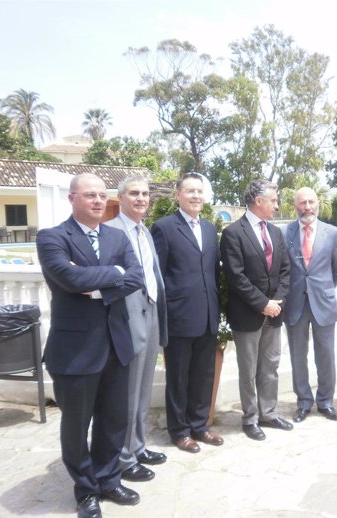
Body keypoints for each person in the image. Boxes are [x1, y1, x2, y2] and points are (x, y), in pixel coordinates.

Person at [36, 173, 144, 518]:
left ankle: (109, 479)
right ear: (72, 199)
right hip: (75, 352)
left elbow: (137, 276)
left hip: (117, 345)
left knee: (113, 421)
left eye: (101, 195)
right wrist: (114, 273)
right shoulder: (52, 238)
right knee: (76, 425)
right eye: (89, 195)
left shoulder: (117, 236)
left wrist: (97, 286)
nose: (97, 201)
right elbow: (67, 278)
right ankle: (85, 490)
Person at [151, 173, 222, 453]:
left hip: (207, 315)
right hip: (180, 316)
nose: (195, 196)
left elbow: (214, 273)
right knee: (178, 378)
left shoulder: (208, 229)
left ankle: (200, 426)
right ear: (178, 195)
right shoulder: (164, 228)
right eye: (189, 191)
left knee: (204, 376)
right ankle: (179, 431)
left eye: (199, 191)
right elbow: (158, 277)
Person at [105, 175, 168, 481]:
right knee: (128, 393)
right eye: (134, 193)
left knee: (143, 389)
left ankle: (139, 447)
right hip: (128, 319)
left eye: (144, 193)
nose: (141, 198)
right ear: (121, 197)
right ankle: (124, 457)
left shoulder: (144, 231)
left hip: (152, 311)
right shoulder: (111, 231)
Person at [220, 179, 292, 441]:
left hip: (275, 313)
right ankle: (250, 418)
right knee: (248, 370)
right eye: (273, 200)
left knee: (270, 367)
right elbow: (236, 277)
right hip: (248, 314)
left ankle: (268, 413)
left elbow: (285, 270)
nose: (277, 205)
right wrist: (263, 303)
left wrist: (278, 302)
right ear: (258, 201)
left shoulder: (275, 232)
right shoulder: (233, 233)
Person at [284, 187, 337, 423]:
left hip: (323, 302)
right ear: (295, 205)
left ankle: (326, 401)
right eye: (302, 203)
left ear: (317, 203)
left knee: (326, 355)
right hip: (295, 303)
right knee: (298, 356)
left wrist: (323, 287)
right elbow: (284, 268)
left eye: (311, 202)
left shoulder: (332, 233)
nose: (307, 207)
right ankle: (303, 402)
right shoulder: (285, 232)